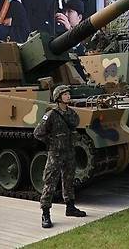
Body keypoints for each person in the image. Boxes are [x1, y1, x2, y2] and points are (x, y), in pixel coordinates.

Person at [34, 85, 87, 228]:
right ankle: (45, 214)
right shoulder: (51, 114)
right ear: (58, 98)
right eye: (64, 94)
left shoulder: (72, 113)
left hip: (69, 152)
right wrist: (51, 142)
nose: (68, 96)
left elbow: (75, 126)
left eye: (68, 94)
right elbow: (38, 132)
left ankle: (70, 207)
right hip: (55, 154)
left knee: (68, 180)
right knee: (50, 182)